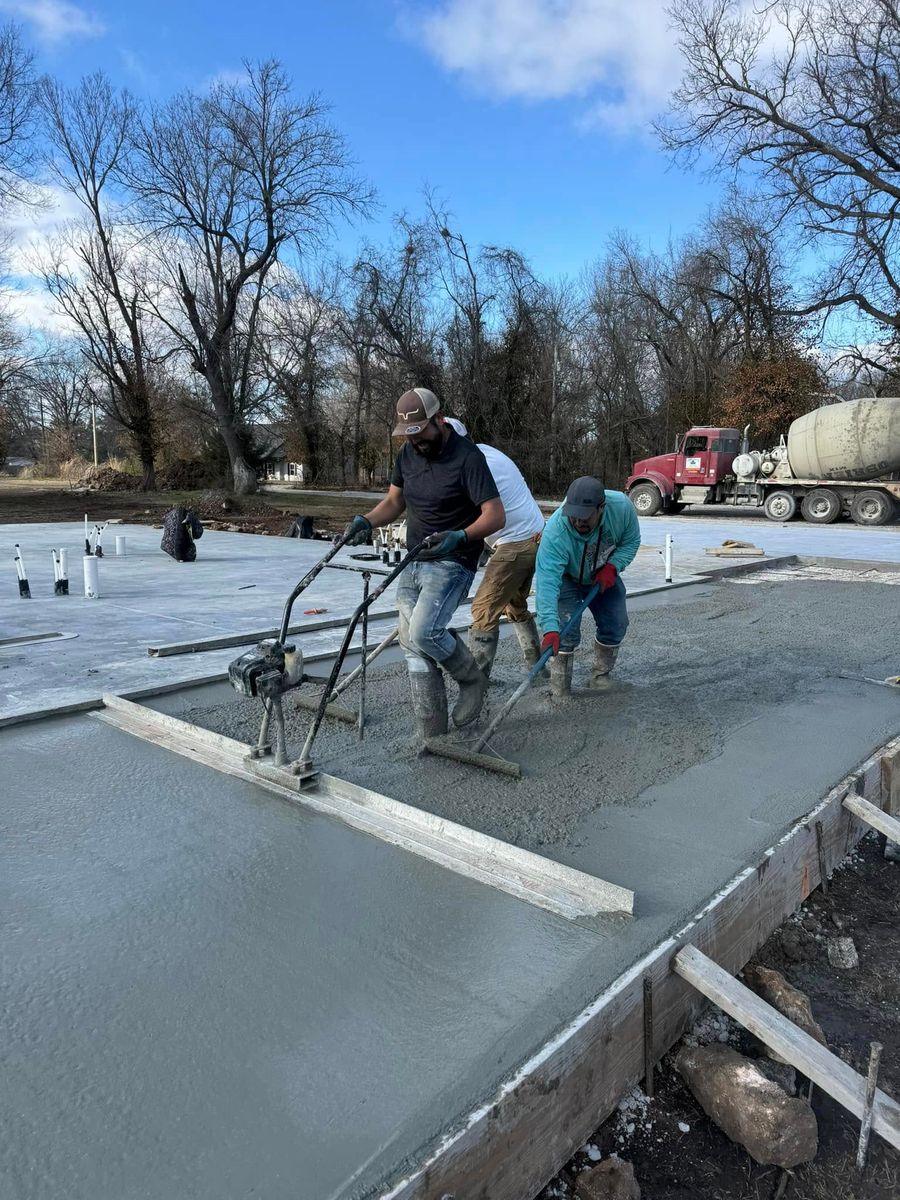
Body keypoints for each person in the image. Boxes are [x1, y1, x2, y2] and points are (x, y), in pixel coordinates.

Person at [342, 388, 505, 741]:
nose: (416, 443)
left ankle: (471, 678)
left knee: (423, 632)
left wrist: (460, 536)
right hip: (414, 558)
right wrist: (366, 521)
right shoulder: (407, 454)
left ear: (438, 420)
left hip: (452, 560)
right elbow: (394, 501)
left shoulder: (468, 458)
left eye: (421, 434)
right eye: (408, 436)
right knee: (410, 641)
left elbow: (495, 516)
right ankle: (432, 730)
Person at [443, 418, 545, 678]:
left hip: (516, 543)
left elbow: (466, 517)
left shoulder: (473, 465)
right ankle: (537, 668)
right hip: (536, 535)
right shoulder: (487, 451)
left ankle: (477, 683)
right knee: (515, 604)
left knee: (483, 609)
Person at [535, 476, 641, 698]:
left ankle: (600, 676)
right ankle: (560, 690)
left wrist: (613, 566)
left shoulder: (621, 508)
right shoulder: (556, 531)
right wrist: (550, 627)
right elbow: (547, 583)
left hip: (602, 573)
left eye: (585, 517)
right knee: (564, 633)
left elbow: (631, 541)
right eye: (573, 516)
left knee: (616, 623)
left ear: (601, 508)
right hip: (567, 577)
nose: (578, 522)